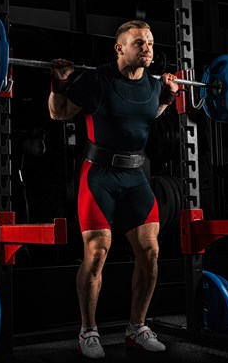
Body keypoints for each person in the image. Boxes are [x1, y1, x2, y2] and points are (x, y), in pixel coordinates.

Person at [47, 19, 179, 359]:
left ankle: (137, 328)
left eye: (150, 42)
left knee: (150, 251)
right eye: (139, 43)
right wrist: (59, 84)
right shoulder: (96, 81)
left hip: (136, 175)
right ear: (120, 48)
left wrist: (167, 95)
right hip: (99, 176)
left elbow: (149, 116)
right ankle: (88, 332)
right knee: (98, 252)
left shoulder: (152, 85)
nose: (148, 48)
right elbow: (58, 114)